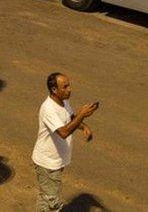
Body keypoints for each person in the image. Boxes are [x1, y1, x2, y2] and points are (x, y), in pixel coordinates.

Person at [32, 73, 99, 212]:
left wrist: (84, 126)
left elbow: (70, 117)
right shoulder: (48, 109)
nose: (70, 89)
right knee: (53, 203)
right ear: (54, 90)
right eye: (65, 86)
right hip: (47, 163)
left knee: (46, 196)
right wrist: (82, 115)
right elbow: (63, 132)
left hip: (55, 160)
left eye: (69, 85)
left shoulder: (63, 101)